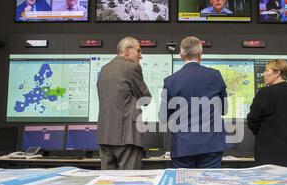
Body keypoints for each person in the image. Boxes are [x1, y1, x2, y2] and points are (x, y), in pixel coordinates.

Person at [159, 37, 229, 168]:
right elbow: (224, 110)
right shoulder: (215, 75)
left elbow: (163, 117)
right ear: (200, 54)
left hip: (183, 146)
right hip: (211, 146)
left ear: (181, 55)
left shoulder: (170, 81)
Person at [97, 37, 152, 170]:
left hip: (105, 136)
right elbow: (146, 98)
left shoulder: (104, 69)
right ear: (128, 50)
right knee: (129, 182)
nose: (141, 56)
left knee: (107, 182)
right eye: (138, 51)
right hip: (127, 136)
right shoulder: (132, 68)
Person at [247, 59, 287, 169]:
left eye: (267, 70)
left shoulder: (264, 93)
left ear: (277, 73)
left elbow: (252, 121)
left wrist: (264, 134)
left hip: (270, 154)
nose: (263, 74)